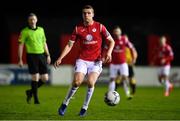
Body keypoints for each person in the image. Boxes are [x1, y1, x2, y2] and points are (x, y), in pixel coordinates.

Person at [54, 5, 114, 116]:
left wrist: (109, 53)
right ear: (82, 15)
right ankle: (65, 103)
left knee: (91, 82)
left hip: (96, 61)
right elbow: (69, 45)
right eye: (84, 13)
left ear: (93, 14)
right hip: (82, 60)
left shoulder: (100, 27)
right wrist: (60, 58)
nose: (86, 15)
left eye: (89, 13)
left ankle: (84, 108)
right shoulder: (78, 28)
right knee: (77, 82)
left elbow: (112, 41)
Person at [18, 13, 51, 104]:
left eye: (34, 19)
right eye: (30, 20)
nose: (32, 21)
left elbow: (44, 43)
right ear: (28, 21)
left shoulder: (41, 30)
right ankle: (36, 99)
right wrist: (20, 59)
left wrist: (48, 55)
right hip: (31, 56)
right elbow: (21, 46)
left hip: (41, 55)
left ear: (36, 20)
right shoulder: (24, 31)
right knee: (35, 77)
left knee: (45, 78)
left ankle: (30, 92)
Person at [107, 26, 137, 99]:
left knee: (125, 78)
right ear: (113, 33)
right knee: (112, 79)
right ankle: (110, 95)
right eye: (115, 31)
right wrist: (105, 57)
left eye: (118, 31)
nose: (117, 33)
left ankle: (128, 93)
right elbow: (105, 48)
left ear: (120, 32)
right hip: (113, 63)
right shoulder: (111, 40)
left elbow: (132, 48)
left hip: (123, 63)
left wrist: (134, 58)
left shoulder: (124, 39)